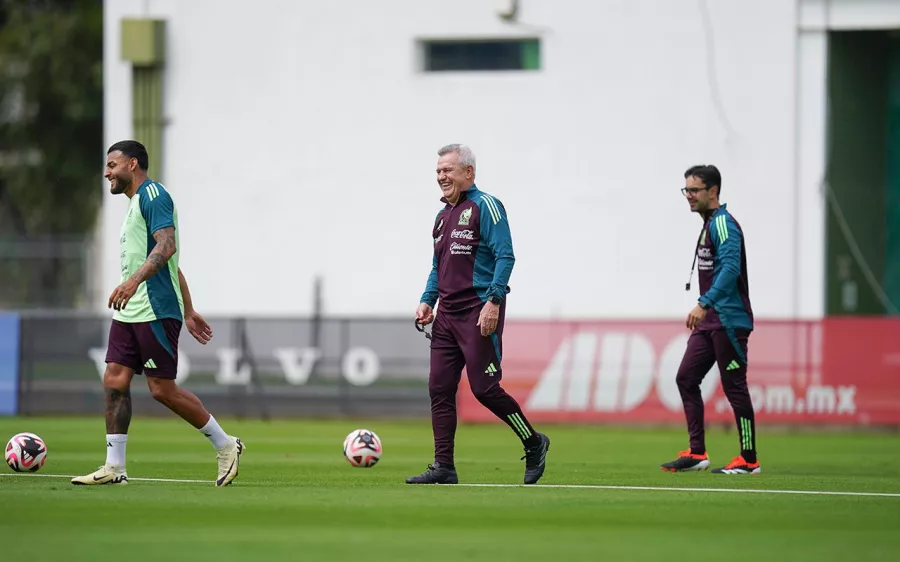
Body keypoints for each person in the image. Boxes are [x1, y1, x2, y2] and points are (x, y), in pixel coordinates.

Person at [71, 140, 244, 487]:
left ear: (132, 164)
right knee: (114, 380)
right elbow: (170, 264)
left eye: (112, 165)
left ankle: (226, 445)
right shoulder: (135, 206)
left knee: (162, 389)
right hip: (129, 310)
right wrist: (191, 309)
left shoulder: (153, 195)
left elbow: (168, 247)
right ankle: (114, 467)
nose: (107, 172)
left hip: (154, 308)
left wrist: (134, 282)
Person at [406, 144, 550, 485]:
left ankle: (533, 441)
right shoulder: (442, 217)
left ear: (468, 172)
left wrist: (495, 300)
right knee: (439, 388)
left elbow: (506, 256)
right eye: (439, 170)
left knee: (485, 389)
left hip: (478, 311)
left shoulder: (487, 206)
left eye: (449, 170)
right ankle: (444, 466)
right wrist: (428, 300)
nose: (442, 176)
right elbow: (437, 266)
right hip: (446, 317)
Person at [661, 164, 760, 474]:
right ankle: (697, 452)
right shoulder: (709, 224)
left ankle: (749, 458)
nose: (688, 196)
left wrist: (704, 303)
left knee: (735, 389)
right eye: (686, 190)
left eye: (694, 190)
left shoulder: (722, 225)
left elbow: (730, 269)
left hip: (728, 321)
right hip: (711, 321)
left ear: (713, 192)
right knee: (686, 378)